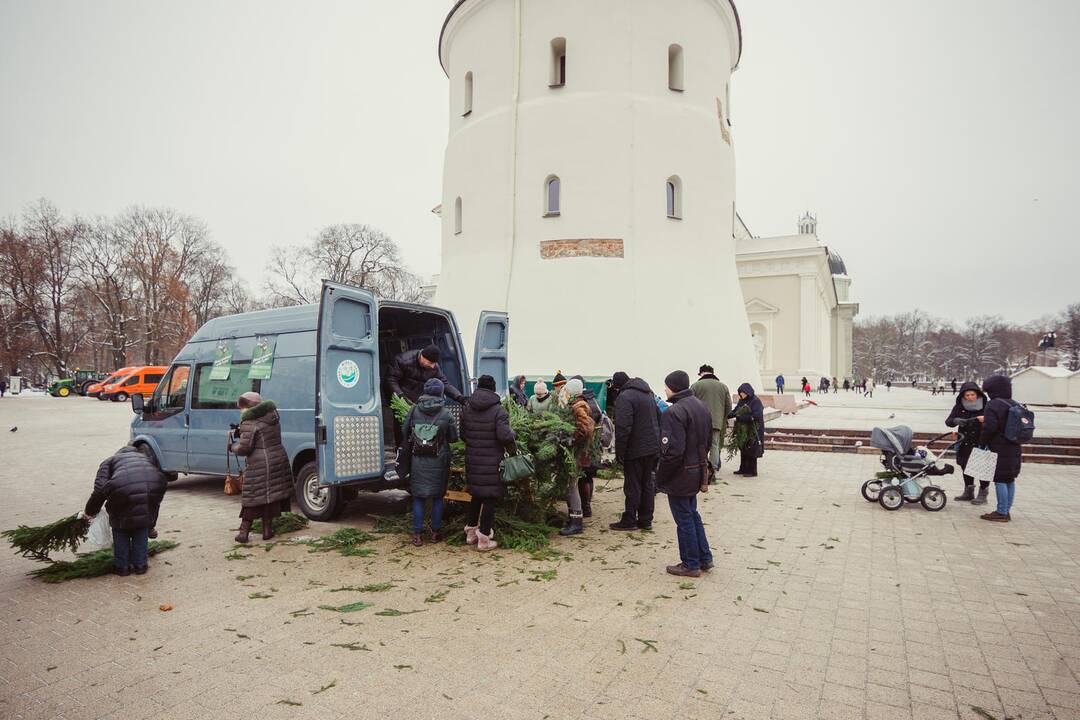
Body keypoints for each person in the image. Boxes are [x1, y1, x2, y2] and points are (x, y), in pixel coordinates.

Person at [655, 370, 713, 578]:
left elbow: (672, 452)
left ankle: (690, 563)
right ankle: (704, 557)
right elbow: (708, 441)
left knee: (684, 518)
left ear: (673, 387)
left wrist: (661, 478)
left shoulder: (674, 412)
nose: (665, 390)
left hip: (681, 474)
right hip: (696, 469)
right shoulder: (700, 406)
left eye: (666, 386)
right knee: (692, 514)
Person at [84, 445, 167, 576]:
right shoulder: (145, 458)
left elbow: (99, 490)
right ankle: (140, 566)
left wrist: (90, 511)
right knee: (141, 522)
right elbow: (154, 506)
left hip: (121, 489)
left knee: (120, 526)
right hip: (155, 483)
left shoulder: (109, 461)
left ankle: (122, 568)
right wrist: (150, 526)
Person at [399, 379, 459, 546]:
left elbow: (404, 431)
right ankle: (435, 533)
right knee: (438, 498)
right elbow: (454, 438)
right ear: (440, 393)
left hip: (418, 459)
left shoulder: (414, 410)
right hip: (439, 460)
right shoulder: (446, 414)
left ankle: (417, 535)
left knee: (418, 498)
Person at [461, 375, 517, 550]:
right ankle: (484, 538)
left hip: (472, 458)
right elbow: (504, 436)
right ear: (493, 389)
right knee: (490, 497)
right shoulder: (498, 410)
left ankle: (470, 533)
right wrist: (513, 434)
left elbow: (462, 434)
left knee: (476, 495)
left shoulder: (467, 407)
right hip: (492, 461)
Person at [231, 392, 294, 543]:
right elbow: (263, 436)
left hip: (260, 463)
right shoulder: (272, 418)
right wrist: (242, 432)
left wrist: (232, 447)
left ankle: (243, 533)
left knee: (252, 497)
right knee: (270, 496)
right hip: (277, 459)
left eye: (242, 407)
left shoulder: (249, 423)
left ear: (249, 407)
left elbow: (245, 448)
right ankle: (267, 531)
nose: (241, 411)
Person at [610, 372, 661, 531]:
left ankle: (630, 520)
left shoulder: (625, 397)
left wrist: (620, 452)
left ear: (618, 385)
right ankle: (646, 520)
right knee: (647, 484)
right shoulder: (648, 394)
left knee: (633, 486)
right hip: (652, 447)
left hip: (635, 449)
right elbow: (659, 417)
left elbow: (623, 427)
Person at [979, 375, 1023, 522]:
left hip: (999, 447)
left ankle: (1001, 512)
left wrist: (982, 442)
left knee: (999, 479)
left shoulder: (993, 405)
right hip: (1014, 446)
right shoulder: (1014, 403)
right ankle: (1006, 510)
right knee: (1009, 479)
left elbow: (989, 428)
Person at [558, 379, 596, 535]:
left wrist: (572, 438)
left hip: (576, 453)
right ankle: (573, 519)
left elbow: (586, 427)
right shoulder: (579, 403)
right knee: (571, 486)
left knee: (572, 486)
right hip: (576, 453)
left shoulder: (578, 405)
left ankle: (576, 523)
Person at [946, 381, 989, 504]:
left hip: (980, 440)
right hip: (964, 440)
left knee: (981, 468)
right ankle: (968, 491)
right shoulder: (959, 406)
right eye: (967, 395)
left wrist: (984, 421)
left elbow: (994, 422)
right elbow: (948, 422)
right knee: (965, 465)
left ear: (977, 394)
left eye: (972, 395)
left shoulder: (986, 405)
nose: (970, 397)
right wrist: (956, 420)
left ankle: (983, 493)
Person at [690, 364, 732, 482]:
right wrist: (722, 418)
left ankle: (699, 470)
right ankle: (711, 471)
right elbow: (728, 406)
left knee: (699, 445)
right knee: (714, 445)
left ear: (702, 373)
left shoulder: (696, 386)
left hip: (699, 422)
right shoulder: (723, 386)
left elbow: (689, 403)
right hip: (717, 422)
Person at [571, 375, 603, 518]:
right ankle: (587, 505)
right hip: (593, 444)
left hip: (586, 445)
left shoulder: (582, 403)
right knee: (588, 476)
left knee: (584, 476)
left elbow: (586, 425)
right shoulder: (594, 400)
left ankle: (585, 507)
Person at [729, 383, 765, 477]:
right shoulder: (742, 401)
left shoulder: (755, 401)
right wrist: (728, 415)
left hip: (753, 430)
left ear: (748, 392)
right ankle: (743, 468)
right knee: (744, 448)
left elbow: (757, 415)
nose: (741, 395)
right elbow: (736, 411)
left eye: (743, 393)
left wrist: (742, 417)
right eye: (740, 393)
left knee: (751, 449)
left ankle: (752, 471)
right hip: (744, 430)